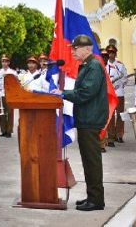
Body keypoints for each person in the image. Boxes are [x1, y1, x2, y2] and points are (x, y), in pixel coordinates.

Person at [52, 34, 108, 212]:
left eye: (75, 48)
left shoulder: (93, 66)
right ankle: (92, 196)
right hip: (86, 119)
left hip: (91, 120)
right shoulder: (87, 65)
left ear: (86, 48)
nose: (73, 52)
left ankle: (96, 200)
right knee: (88, 161)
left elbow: (85, 93)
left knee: (92, 162)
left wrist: (63, 93)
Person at [104, 45, 127, 146]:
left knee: (121, 114)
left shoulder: (120, 65)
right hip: (109, 92)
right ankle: (111, 137)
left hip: (119, 92)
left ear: (115, 54)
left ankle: (119, 135)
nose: (111, 55)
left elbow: (125, 78)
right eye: (109, 53)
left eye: (113, 53)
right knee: (111, 115)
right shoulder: (104, 65)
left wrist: (118, 84)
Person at [0, 55, 17, 138]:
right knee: (1, 113)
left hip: (9, 94)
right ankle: (3, 130)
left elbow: (16, 84)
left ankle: (9, 130)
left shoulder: (13, 72)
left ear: (8, 62)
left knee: (9, 113)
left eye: (6, 61)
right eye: (3, 61)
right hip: (1, 94)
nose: (4, 63)